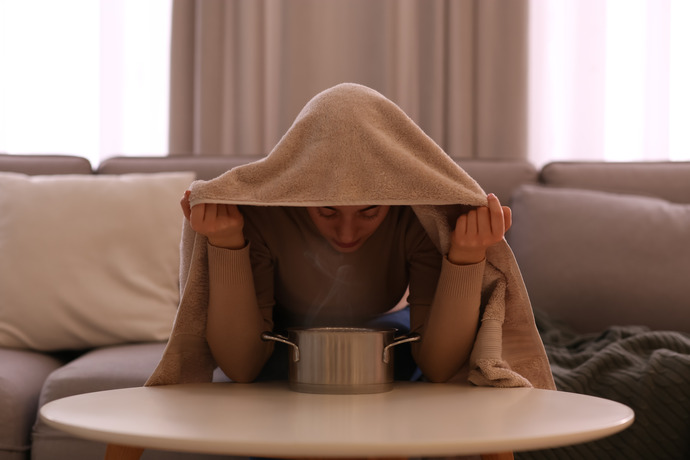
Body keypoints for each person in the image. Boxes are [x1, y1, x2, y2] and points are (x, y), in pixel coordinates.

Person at [180, 190, 511, 384]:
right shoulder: (264, 215)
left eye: (369, 212)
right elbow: (241, 368)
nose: (347, 234)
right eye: (327, 211)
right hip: (282, 336)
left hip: (388, 326)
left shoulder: (415, 215)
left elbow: (438, 369)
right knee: (270, 385)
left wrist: (467, 257)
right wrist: (225, 243)